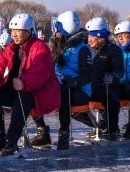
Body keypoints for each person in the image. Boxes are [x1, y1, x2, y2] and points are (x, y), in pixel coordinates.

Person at [0, 14, 60, 156]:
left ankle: (11, 143)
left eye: (18, 31)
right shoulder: (11, 48)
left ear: (28, 31)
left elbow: (40, 72)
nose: (14, 34)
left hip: (39, 92)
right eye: (12, 31)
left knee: (21, 101)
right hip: (16, 88)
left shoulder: (40, 48)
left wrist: (24, 82)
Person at [32, 11, 92, 150]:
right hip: (59, 84)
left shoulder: (83, 49)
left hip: (79, 90)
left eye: (58, 29)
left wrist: (75, 81)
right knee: (35, 91)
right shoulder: (57, 45)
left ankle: (64, 133)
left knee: (64, 93)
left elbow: (88, 75)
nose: (56, 32)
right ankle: (42, 131)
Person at [85, 17, 124, 141]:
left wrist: (113, 76)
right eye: (88, 36)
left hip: (106, 86)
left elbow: (119, 70)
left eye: (92, 36)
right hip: (88, 86)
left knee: (110, 98)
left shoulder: (114, 50)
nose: (89, 39)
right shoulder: (86, 50)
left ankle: (112, 129)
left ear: (101, 37)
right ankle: (100, 126)